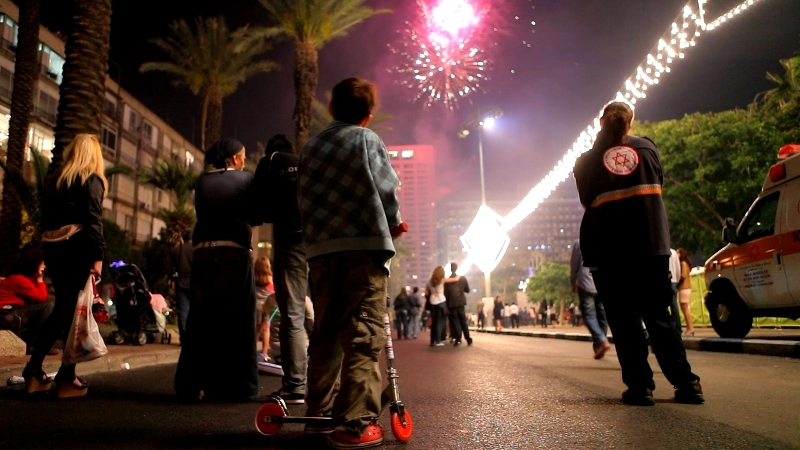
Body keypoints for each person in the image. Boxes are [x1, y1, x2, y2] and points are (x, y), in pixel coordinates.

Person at [297, 77, 408, 448]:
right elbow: (385, 189)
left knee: (325, 333)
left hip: (322, 255)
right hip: (364, 249)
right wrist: (392, 225)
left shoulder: (311, 147)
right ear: (368, 115)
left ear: (331, 109)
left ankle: (317, 415)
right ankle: (354, 425)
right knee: (362, 336)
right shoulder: (367, 139)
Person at [574, 101, 703, 406]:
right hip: (651, 245)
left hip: (609, 252)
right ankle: (687, 383)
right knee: (660, 317)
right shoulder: (648, 149)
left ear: (601, 123)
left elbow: (586, 201)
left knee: (624, 320)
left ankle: (640, 386)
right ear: (630, 123)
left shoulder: (585, 161)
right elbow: (659, 184)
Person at [174, 138, 259, 402]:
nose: (244, 160)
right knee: (240, 320)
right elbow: (255, 216)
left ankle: (189, 385)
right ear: (234, 158)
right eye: (243, 156)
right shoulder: (246, 179)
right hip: (234, 252)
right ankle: (240, 387)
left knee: (200, 319)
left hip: (203, 252)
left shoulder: (202, 181)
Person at [23, 133, 106, 398]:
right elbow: (93, 219)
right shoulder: (91, 179)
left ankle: (35, 371)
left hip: (54, 248)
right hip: (77, 249)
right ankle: (65, 378)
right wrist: (98, 257)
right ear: (94, 155)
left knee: (64, 309)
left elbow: (45, 218)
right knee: (70, 313)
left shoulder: (54, 181)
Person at [251, 134, 311, 405]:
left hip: (290, 241)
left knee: (292, 314)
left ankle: (295, 386)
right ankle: (326, 385)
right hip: (318, 242)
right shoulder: (305, 161)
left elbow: (258, 209)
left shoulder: (271, 161)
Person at [0, 249, 54, 354]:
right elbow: (41, 298)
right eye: (42, 263)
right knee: (45, 308)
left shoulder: (20, 279)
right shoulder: (20, 280)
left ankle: (34, 343)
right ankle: (34, 345)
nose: (44, 266)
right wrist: (40, 279)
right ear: (34, 264)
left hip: (11, 312)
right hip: (6, 314)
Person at [570, 239, 610, 359]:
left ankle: (602, 341)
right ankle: (600, 344)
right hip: (603, 283)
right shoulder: (606, 241)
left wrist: (573, 282)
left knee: (589, 316)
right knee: (602, 316)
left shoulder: (579, 243)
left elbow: (574, 265)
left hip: (586, 284)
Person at [170, 227, 193, 344]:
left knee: (182, 310)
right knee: (194, 310)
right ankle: (192, 336)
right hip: (193, 282)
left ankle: (183, 337)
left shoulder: (177, 249)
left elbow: (171, 266)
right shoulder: (195, 250)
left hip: (180, 281)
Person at [443, 262, 472, 346]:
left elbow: (446, 294)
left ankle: (458, 339)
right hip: (461, 302)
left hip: (451, 303)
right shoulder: (462, 278)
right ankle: (468, 338)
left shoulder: (447, 280)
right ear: (457, 268)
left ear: (450, 269)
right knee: (463, 321)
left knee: (455, 321)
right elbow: (467, 290)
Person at [426, 266, 454, 346]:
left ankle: (432, 340)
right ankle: (438, 340)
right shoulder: (442, 280)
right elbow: (454, 279)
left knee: (434, 322)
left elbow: (426, 293)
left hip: (432, 302)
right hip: (441, 302)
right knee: (440, 322)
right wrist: (459, 276)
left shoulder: (429, 281)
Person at [255, 257, 275, 360]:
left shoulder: (255, 277)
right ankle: (265, 353)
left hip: (256, 306)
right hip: (267, 306)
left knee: (257, 329)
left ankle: (252, 351)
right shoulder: (270, 278)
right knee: (266, 329)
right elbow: (273, 292)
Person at [677, 248, 695, 336]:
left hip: (684, 288)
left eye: (678, 252)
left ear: (681, 254)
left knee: (684, 307)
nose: (676, 254)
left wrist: (677, 283)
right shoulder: (685, 263)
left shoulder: (683, 263)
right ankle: (689, 327)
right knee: (684, 307)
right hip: (686, 288)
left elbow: (683, 275)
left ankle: (690, 327)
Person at [668, 248, 683, 333]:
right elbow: (678, 268)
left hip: (665, 281)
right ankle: (678, 327)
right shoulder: (674, 253)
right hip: (674, 282)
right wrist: (677, 280)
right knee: (674, 305)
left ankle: (670, 327)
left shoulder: (662, 252)